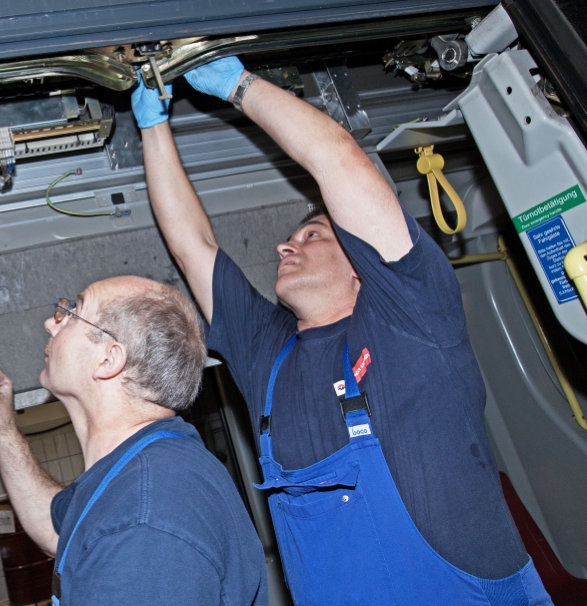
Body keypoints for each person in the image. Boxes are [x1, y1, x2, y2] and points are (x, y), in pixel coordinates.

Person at [131, 57, 552, 605]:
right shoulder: (267, 354)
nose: (286, 246)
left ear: (360, 263)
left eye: (312, 235)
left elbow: (339, 161)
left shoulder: (411, 315)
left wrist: (240, 86)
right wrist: (152, 125)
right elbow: (193, 248)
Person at [0, 276, 268, 605]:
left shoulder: (146, 520)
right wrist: (2, 429)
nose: (50, 324)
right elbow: (62, 532)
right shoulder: (143, 471)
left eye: (73, 312)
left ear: (108, 359)